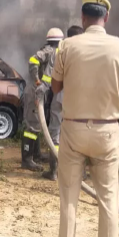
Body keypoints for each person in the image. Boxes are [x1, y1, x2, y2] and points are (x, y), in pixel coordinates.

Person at [51, 0, 119, 237]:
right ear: (106, 18)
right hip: (107, 131)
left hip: (73, 130)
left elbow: (55, 86)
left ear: (83, 18)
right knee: (109, 202)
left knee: (68, 202)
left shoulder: (67, 46)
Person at [40, 25, 84, 181]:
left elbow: (51, 77)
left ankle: (54, 171)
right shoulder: (88, 53)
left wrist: (43, 90)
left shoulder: (61, 52)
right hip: (80, 100)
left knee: (55, 134)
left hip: (61, 97)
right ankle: (78, 173)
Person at [21, 27, 64, 171]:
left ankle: (36, 154)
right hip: (35, 91)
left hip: (40, 92)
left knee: (38, 123)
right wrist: (37, 80)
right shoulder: (50, 51)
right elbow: (33, 60)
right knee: (32, 126)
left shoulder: (52, 51)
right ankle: (27, 159)